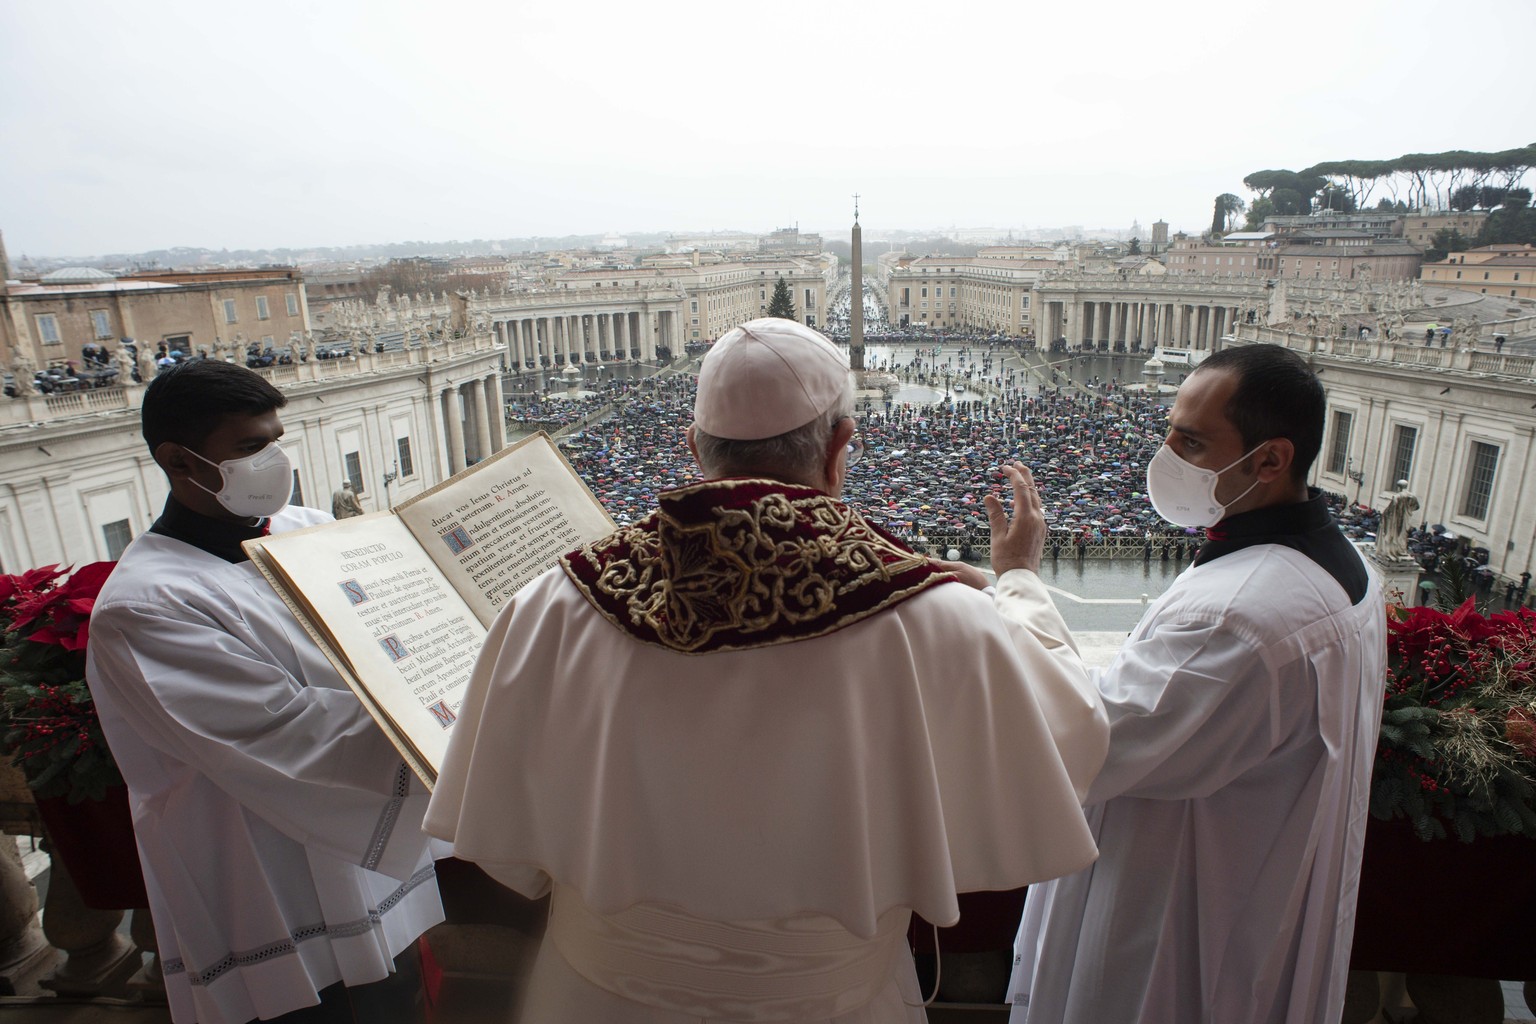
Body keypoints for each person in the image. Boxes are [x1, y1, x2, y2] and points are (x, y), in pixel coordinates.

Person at [425, 318, 1108, 1023]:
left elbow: (508, 848)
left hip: (592, 999)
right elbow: (1072, 738)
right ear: (841, 449)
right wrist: (1018, 581)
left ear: (693, 449)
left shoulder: (552, 603)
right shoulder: (940, 617)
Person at [1009, 343, 1387, 1024]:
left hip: (1174, 927)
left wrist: (1018, 583)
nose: (1166, 457)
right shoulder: (1343, 568)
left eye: (1190, 441)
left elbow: (1081, 739)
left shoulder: (1235, 618)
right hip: (1257, 892)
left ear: (1270, 460)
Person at [86, 360, 444, 1024]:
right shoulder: (145, 606)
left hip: (367, 851)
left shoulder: (311, 531)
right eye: (251, 447)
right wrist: (464, 722)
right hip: (262, 878)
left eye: (276, 439)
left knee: (395, 1000)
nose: (275, 460)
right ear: (180, 462)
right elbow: (289, 733)